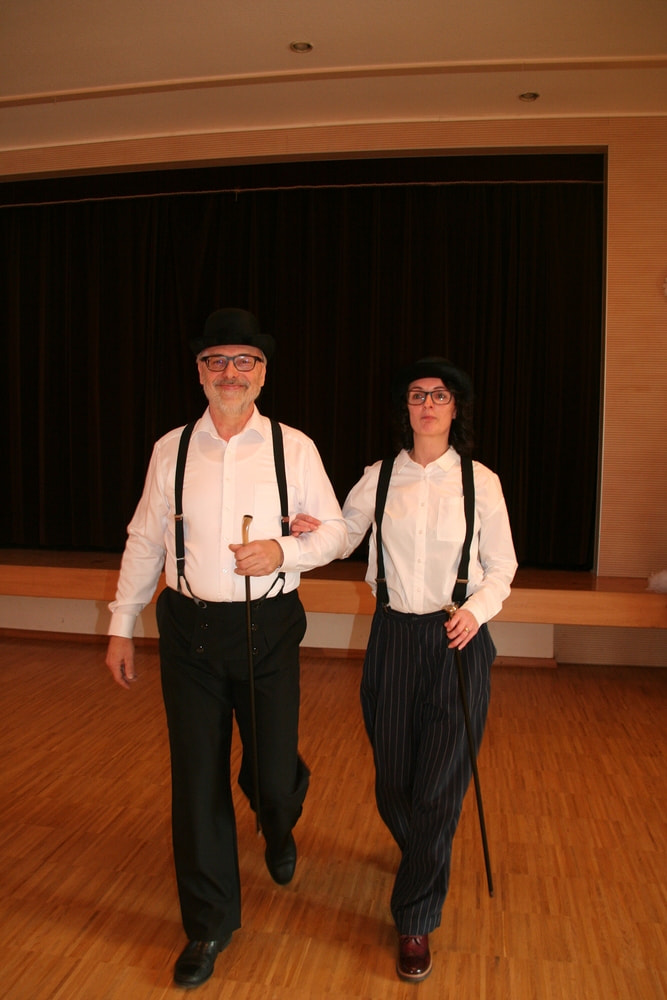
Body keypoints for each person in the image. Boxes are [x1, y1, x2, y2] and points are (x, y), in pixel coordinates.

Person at [105, 308, 347, 990]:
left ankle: (278, 817)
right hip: (188, 630)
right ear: (200, 372)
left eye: (244, 361)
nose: (230, 373)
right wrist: (122, 622)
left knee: (271, 772)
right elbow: (145, 539)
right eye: (217, 361)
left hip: (268, 627)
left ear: (262, 373)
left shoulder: (293, 448)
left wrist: (285, 549)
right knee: (196, 779)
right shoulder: (171, 449)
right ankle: (209, 924)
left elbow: (336, 532)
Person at [298, 356, 517, 982]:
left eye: (440, 395)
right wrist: (310, 532)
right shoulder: (380, 476)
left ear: (455, 408)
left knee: (440, 786)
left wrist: (476, 611)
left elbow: (502, 565)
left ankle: (416, 916)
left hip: (457, 641)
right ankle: (424, 849)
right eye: (418, 395)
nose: (428, 404)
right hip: (393, 637)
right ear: (406, 408)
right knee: (395, 781)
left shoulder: (481, 482)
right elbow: (344, 535)